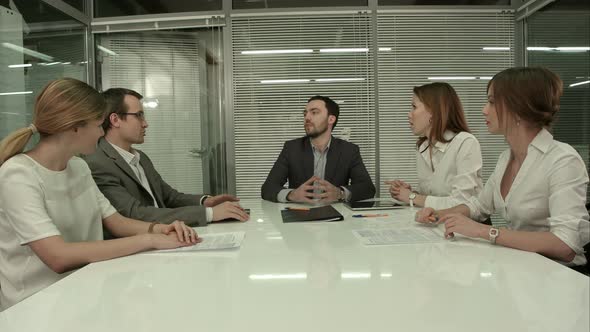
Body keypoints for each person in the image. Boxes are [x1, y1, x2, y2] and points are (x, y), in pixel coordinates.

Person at [0, 78, 200, 310]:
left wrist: (160, 228)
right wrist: (149, 239)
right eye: (98, 125)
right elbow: (58, 256)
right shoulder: (17, 175)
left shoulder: (79, 167)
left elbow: (116, 222)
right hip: (34, 308)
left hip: (83, 294)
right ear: (74, 127)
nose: (101, 133)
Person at [415, 67, 590, 267]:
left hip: (561, 276)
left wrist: (484, 231)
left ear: (519, 108)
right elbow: (479, 206)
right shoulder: (506, 158)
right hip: (523, 267)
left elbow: (565, 244)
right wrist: (439, 214)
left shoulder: (563, 160)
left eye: (491, 102)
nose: (484, 110)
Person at [84, 88, 249, 230]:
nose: (145, 123)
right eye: (139, 115)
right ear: (115, 120)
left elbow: (169, 197)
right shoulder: (98, 163)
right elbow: (136, 214)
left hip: (163, 237)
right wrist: (210, 214)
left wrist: (206, 201)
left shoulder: (141, 158)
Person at [261, 95, 376, 204]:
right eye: (305, 113)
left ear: (331, 119)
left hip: (337, 218)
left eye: (314, 112)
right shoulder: (291, 148)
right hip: (300, 217)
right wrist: (291, 194)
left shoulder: (349, 150)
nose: (307, 117)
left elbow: (367, 188)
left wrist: (340, 193)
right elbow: (268, 188)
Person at [386, 82, 483, 209]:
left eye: (414, 107)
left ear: (433, 111)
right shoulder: (423, 147)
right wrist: (409, 193)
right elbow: (432, 196)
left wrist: (412, 197)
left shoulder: (465, 143)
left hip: (466, 226)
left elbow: (462, 203)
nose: (409, 114)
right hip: (437, 224)